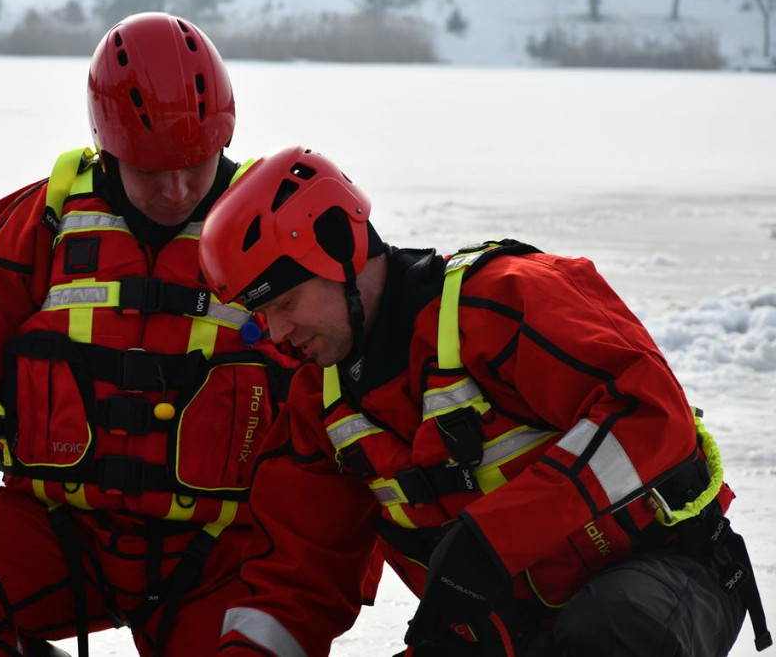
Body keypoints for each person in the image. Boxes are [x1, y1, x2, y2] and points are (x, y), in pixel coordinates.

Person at [0, 14, 347, 657]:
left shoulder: (279, 238)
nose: (176, 190)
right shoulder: (37, 227)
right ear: (107, 145)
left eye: (196, 165)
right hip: (58, 531)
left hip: (221, 555)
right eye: (150, 170)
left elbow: (345, 405)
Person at [198, 145, 772, 657]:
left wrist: (490, 542)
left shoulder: (502, 301)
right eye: (260, 316)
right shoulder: (319, 406)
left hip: (658, 577)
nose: (275, 334)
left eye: (285, 303)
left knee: (606, 637)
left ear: (338, 250)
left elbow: (649, 415)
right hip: (495, 627)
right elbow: (295, 582)